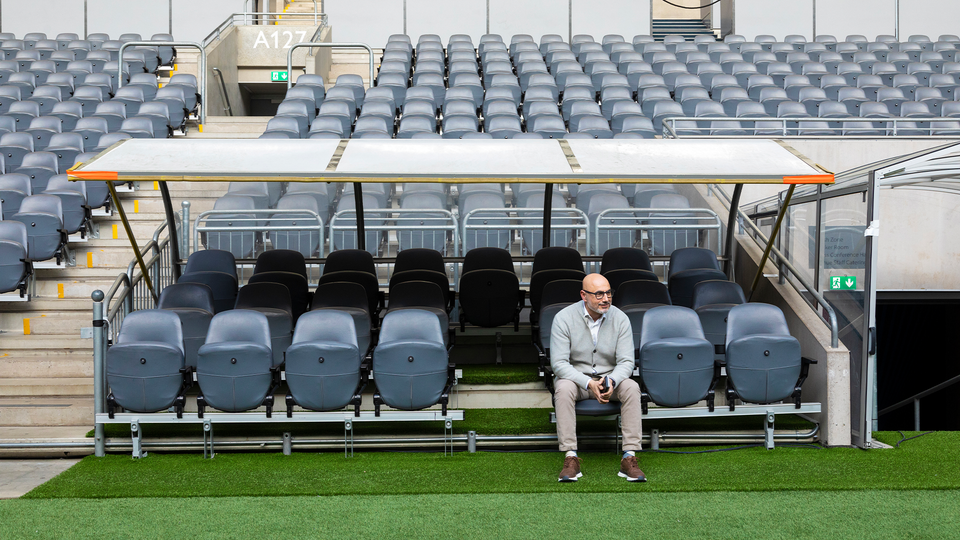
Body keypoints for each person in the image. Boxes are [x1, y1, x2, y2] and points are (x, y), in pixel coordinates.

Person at [549, 273, 645, 482]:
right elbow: (559, 364)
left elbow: (627, 362)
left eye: (609, 293)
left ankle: (629, 457)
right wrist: (588, 383)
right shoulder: (563, 318)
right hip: (578, 381)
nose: (606, 299)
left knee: (631, 387)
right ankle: (570, 457)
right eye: (599, 294)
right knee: (563, 388)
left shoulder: (620, 318)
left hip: (610, 380)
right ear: (584, 295)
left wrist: (611, 381)